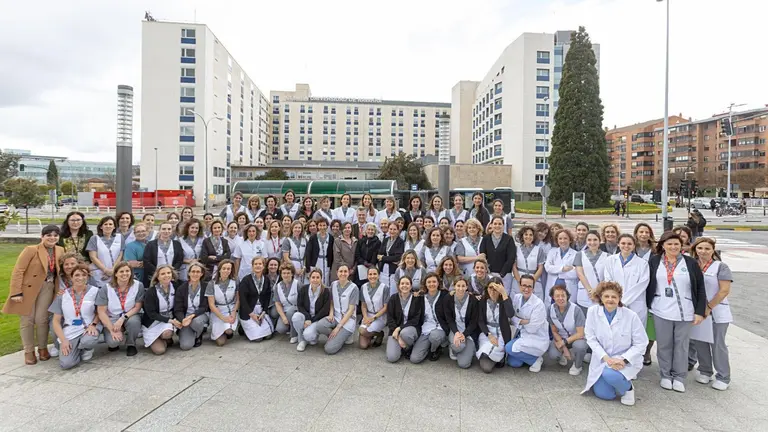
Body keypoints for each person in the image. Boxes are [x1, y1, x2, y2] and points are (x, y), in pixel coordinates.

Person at [647, 231, 706, 392]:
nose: (673, 247)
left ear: (681, 246)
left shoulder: (690, 263)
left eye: (676, 244)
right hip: (661, 309)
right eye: (669, 244)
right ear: (663, 246)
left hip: (685, 311)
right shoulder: (654, 261)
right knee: (664, 345)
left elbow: (700, 288)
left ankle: (679, 376)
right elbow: (648, 284)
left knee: (681, 345)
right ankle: (665, 375)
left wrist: (700, 311)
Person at [3, 225, 65, 365]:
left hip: (48, 287)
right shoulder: (31, 250)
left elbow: (61, 271)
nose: (52, 238)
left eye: (55, 235)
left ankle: (42, 348)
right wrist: (16, 292)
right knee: (27, 319)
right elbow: (18, 271)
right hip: (28, 289)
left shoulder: (60, 250)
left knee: (42, 319)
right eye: (48, 235)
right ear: (42, 237)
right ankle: (29, 351)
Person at [581, 281, 648, 406]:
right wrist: (606, 358)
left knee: (610, 373)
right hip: (603, 358)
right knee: (605, 395)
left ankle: (628, 389)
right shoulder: (592, 312)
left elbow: (641, 342)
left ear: (619, 299)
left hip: (625, 360)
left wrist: (624, 360)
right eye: (606, 296)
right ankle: (616, 382)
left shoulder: (631, 316)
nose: (610, 300)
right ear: (601, 297)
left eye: (614, 297)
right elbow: (590, 338)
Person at [689, 237, 733, 391]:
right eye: (700, 248)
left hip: (716, 312)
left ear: (713, 250)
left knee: (717, 344)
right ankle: (705, 370)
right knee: (700, 341)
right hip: (698, 312)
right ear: (695, 250)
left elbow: (724, 291)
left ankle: (723, 376)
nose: (703, 252)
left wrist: (708, 307)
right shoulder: (692, 265)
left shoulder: (720, 267)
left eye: (707, 248)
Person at [48, 264, 101, 369]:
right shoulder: (62, 295)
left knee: (88, 341)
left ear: (88, 277)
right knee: (66, 364)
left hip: (90, 326)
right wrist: (63, 340)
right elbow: (56, 321)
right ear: (71, 277)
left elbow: (100, 312)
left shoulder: (95, 291)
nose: (80, 278)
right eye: (77, 275)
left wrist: (94, 324)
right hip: (71, 329)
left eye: (83, 275)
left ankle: (86, 348)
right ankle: (76, 349)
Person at [96, 261, 144, 357]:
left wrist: (122, 319)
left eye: (127, 271)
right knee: (113, 343)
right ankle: (117, 334)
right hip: (112, 317)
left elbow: (137, 307)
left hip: (129, 315)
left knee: (134, 322)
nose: (125, 274)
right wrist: (111, 329)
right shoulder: (106, 288)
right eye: (121, 271)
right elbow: (101, 312)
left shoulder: (138, 285)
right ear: (116, 274)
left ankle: (131, 344)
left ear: (131, 273)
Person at [604, 234, 650, 327]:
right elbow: (609, 281)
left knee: (636, 334)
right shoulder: (610, 260)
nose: (626, 246)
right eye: (623, 243)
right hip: (615, 302)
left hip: (636, 304)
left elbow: (642, 285)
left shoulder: (642, 263)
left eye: (629, 244)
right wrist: (617, 299)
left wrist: (623, 301)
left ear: (634, 246)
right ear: (618, 244)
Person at [505, 274, 549, 372]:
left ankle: (536, 359)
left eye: (529, 286)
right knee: (514, 363)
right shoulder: (516, 298)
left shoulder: (538, 304)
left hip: (536, 337)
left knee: (508, 347)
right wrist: (524, 321)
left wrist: (517, 320)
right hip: (522, 334)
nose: (526, 289)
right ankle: (527, 356)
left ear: (533, 288)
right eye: (524, 285)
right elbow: (511, 318)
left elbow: (532, 328)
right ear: (520, 286)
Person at [437, 277, 477, 369]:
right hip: (455, 329)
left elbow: (474, 322)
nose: (460, 288)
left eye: (463, 286)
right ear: (454, 286)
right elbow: (449, 319)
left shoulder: (473, 300)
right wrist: (456, 333)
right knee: (458, 346)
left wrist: (465, 334)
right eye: (458, 285)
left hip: (469, 331)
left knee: (464, 364)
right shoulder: (448, 298)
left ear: (467, 287)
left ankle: (466, 349)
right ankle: (455, 348)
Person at [476, 276, 514, 373]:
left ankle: (498, 357)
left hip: (502, 333)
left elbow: (510, 314)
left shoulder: (505, 300)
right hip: (487, 332)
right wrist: (489, 335)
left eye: (496, 289)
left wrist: (504, 293)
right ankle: (493, 357)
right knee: (486, 363)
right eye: (490, 288)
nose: (493, 291)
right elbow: (480, 321)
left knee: (488, 363)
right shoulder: (483, 301)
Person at [547, 284, 587, 375]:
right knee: (553, 354)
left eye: (563, 295)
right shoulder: (550, 309)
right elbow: (554, 331)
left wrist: (564, 342)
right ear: (553, 297)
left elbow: (580, 333)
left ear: (567, 296)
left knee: (580, 347)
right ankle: (564, 355)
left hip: (577, 338)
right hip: (561, 338)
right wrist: (564, 348)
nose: (560, 298)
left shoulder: (576, 310)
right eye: (557, 296)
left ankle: (578, 365)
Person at [142, 265, 182, 355]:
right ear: (158, 277)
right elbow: (151, 314)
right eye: (163, 274)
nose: (166, 275)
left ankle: (166, 337)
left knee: (167, 333)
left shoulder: (177, 287)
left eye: (168, 273)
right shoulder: (151, 292)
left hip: (169, 320)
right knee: (159, 351)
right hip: (153, 322)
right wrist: (170, 321)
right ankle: (163, 340)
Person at [408, 273, 448, 363]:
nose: (431, 284)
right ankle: (427, 346)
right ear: (425, 284)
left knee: (435, 337)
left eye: (434, 281)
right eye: (429, 282)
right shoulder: (421, 297)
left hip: (440, 327)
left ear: (438, 283)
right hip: (426, 327)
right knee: (415, 359)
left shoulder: (445, 295)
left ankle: (436, 349)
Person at [320, 265, 359, 354]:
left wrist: (338, 327)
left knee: (329, 349)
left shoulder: (354, 288)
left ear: (349, 273)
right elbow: (332, 301)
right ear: (337, 273)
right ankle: (337, 337)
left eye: (345, 271)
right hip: (336, 317)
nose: (343, 274)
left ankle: (344, 336)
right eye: (341, 271)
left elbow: (351, 310)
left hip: (348, 321)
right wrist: (331, 313)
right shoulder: (333, 284)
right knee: (319, 325)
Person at [386, 276, 425, 363]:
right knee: (392, 357)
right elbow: (390, 318)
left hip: (411, 329)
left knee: (405, 333)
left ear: (411, 286)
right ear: (398, 286)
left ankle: (409, 345)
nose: (405, 286)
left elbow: (416, 320)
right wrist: (395, 331)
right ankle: (404, 347)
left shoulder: (416, 298)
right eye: (402, 283)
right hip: (394, 330)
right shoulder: (393, 298)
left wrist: (399, 328)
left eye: (407, 284)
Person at [293, 269, 331, 351]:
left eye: (318, 277)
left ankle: (312, 335)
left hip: (317, 318)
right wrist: (307, 318)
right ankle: (302, 340)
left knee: (309, 336)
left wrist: (312, 321)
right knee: (296, 317)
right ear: (309, 278)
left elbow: (325, 310)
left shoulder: (326, 291)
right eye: (313, 277)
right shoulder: (303, 289)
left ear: (321, 279)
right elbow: (300, 305)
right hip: (306, 316)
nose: (315, 280)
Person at [174, 261, 209, 350]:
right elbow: (178, 309)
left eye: (198, 272)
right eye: (193, 271)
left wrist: (192, 316)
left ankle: (199, 334)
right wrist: (183, 319)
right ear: (189, 273)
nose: (195, 274)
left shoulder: (206, 287)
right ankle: (190, 332)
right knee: (185, 346)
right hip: (186, 318)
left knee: (196, 322)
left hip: (200, 315)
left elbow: (204, 307)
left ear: (202, 274)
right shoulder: (181, 288)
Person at [238, 257, 274, 342]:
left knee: (268, 336)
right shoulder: (246, 280)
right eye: (255, 264)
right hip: (248, 311)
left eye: (260, 264)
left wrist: (264, 311)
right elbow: (242, 299)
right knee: (258, 338)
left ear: (263, 266)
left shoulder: (266, 279)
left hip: (260, 310)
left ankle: (249, 328)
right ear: (252, 266)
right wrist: (252, 314)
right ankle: (243, 328)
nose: (258, 266)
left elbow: (267, 297)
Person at [206, 259, 239, 346]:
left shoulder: (235, 281)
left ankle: (227, 331)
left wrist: (234, 312)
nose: (226, 271)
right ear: (219, 269)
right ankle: (220, 330)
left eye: (228, 269)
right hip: (218, 311)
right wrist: (223, 318)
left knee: (229, 331)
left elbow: (238, 300)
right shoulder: (211, 283)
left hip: (230, 309)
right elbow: (211, 305)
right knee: (220, 343)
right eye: (224, 268)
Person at [574, 231, 608, 315]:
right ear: (586, 241)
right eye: (589, 240)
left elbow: (607, 276)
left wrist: (597, 292)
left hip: (601, 294)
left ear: (600, 241)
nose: (592, 242)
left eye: (595, 240)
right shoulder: (580, 255)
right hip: (585, 293)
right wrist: (590, 291)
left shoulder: (608, 256)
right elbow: (580, 274)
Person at [480, 216, 516, 295]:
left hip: (505, 275)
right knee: (490, 296)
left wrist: (502, 273)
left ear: (503, 226)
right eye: (495, 223)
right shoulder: (486, 239)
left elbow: (511, 258)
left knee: (503, 297)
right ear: (491, 225)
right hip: (489, 274)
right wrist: (487, 271)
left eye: (500, 224)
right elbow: (482, 255)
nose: (497, 226)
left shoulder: (509, 239)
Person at [87, 216, 125, 288]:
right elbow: (93, 257)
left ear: (114, 227)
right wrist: (105, 270)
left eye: (110, 224)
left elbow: (120, 255)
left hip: (115, 272)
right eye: (105, 224)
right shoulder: (94, 238)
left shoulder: (120, 237)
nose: (108, 226)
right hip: (99, 272)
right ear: (101, 227)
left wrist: (113, 270)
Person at [143, 222, 184, 287]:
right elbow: (146, 261)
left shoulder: (176, 244)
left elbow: (179, 260)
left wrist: (172, 271)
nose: (166, 231)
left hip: (171, 275)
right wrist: (158, 272)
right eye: (164, 229)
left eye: (169, 229)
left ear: (171, 231)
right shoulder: (151, 244)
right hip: (155, 275)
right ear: (160, 230)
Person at [544, 229, 579, 302]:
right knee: (552, 308)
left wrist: (556, 271)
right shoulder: (552, 252)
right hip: (552, 285)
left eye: (565, 238)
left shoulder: (576, 254)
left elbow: (576, 273)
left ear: (570, 240)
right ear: (557, 240)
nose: (563, 241)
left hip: (568, 287)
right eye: (560, 238)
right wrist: (563, 269)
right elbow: (547, 268)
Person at [358, 267, 389, 349]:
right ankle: (371, 334)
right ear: (367, 276)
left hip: (379, 317)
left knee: (363, 331)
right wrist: (365, 317)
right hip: (367, 315)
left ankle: (379, 334)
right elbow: (363, 305)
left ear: (378, 276)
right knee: (363, 346)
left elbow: (386, 307)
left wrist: (373, 318)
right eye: (370, 274)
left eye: (375, 274)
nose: (372, 276)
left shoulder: (384, 288)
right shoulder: (363, 287)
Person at [512, 226, 546, 299]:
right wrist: (520, 282)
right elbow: (514, 267)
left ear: (534, 237)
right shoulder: (516, 249)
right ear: (522, 236)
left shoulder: (539, 250)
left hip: (534, 280)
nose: (528, 237)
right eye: (526, 234)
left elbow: (540, 267)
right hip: (518, 279)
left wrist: (532, 281)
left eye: (531, 235)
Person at [274, 264, 301, 343]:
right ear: (281, 274)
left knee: (290, 313)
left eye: (288, 273)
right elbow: (277, 303)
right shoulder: (277, 286)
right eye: (284, 273)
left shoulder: (297, 284)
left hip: (297, 308)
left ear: (292, 274)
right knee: (280, 329)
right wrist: (283, 318)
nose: (286, 275)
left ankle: (294, 335)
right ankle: (291, 326)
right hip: (285, 310)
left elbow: (303, 300)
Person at [306, 218, 334, 287]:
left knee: (325, 280)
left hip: (326, 262)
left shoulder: (331, 237)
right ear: (317, 226)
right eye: (320, 225)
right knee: (315, 279)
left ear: (327, 226)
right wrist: (308, 267)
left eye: (324, 225)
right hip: (316, 262)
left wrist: (331, 265)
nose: (322, 227)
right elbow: (308, 252)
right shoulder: (313, 238)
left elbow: (332, 253)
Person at [378, 223, 405, 290]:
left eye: (394, 229)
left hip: (393, 270)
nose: (392, 231)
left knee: (392, 291)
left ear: (398, 230)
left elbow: (397, 257)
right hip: (383, 269)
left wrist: (383, 258)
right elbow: (379, 255)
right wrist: (390, 259)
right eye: (390, 229)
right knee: (383, 290)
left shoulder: (400, 242)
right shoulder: (386, 240)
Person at [282, 221, 308, 285]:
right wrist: (294, 269)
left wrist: (304, 268)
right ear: (292, 228)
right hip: (292, 265)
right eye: (295, 227)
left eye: (299, 228)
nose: (297, 229)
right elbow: (286, 257)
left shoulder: (305, 240)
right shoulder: (287, 240)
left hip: (303, 266)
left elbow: (306, 256)